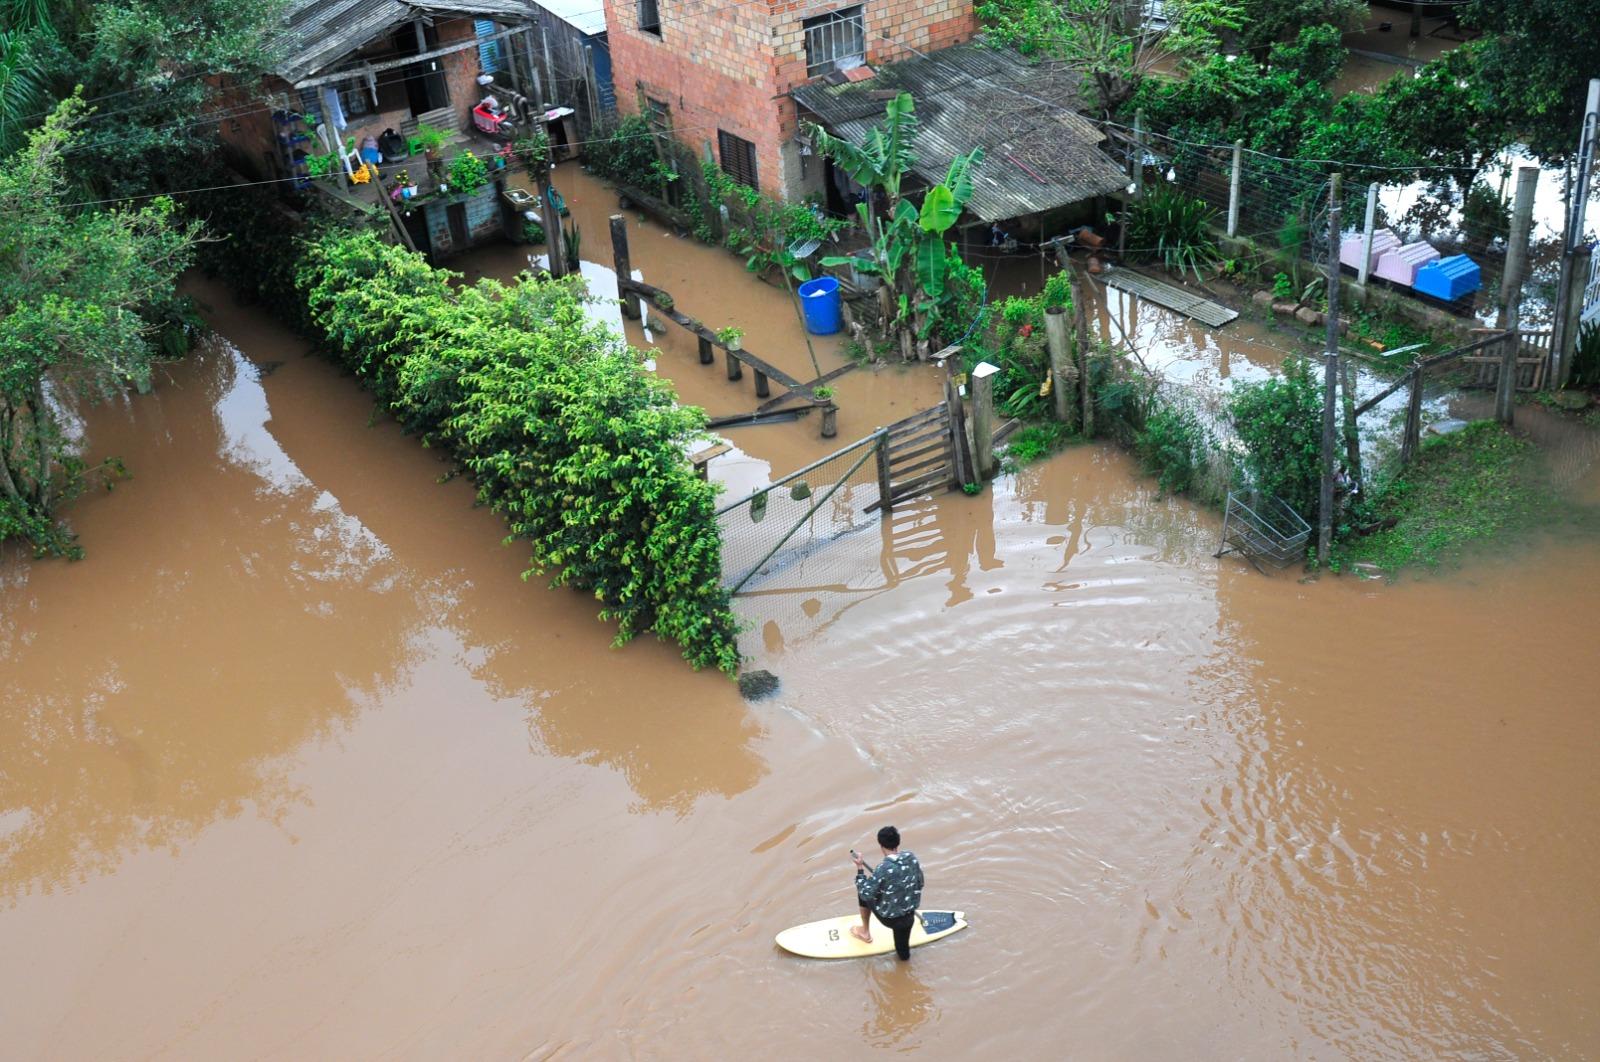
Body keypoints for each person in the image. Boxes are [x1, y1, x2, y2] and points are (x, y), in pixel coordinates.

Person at [851, 825, 925, 960]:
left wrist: (860, 868)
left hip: (891, 919)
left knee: (863, 891)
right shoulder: (911, 857)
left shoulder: (883, 868)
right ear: (898, 842)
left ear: (881, 845)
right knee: (903, 955)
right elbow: (920, 883)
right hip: (909, 917)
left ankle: (865, 932)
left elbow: (865, 893)